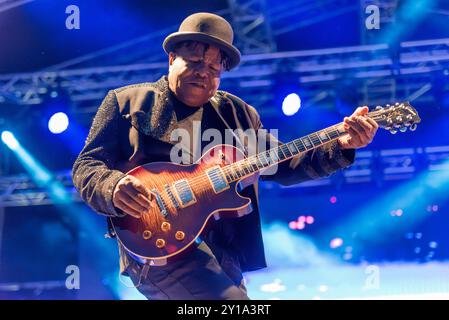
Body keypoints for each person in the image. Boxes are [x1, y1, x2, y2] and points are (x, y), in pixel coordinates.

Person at [72, 12, 378, 300]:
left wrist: (342, 145)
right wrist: (112, 187)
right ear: (170, 58)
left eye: (213, 68)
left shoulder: (239, 115)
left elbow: (286, 164)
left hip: (224, 253)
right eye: (193, 61)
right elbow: (87, 165)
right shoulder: (127, 103)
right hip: (159, 246)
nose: (202, 73)